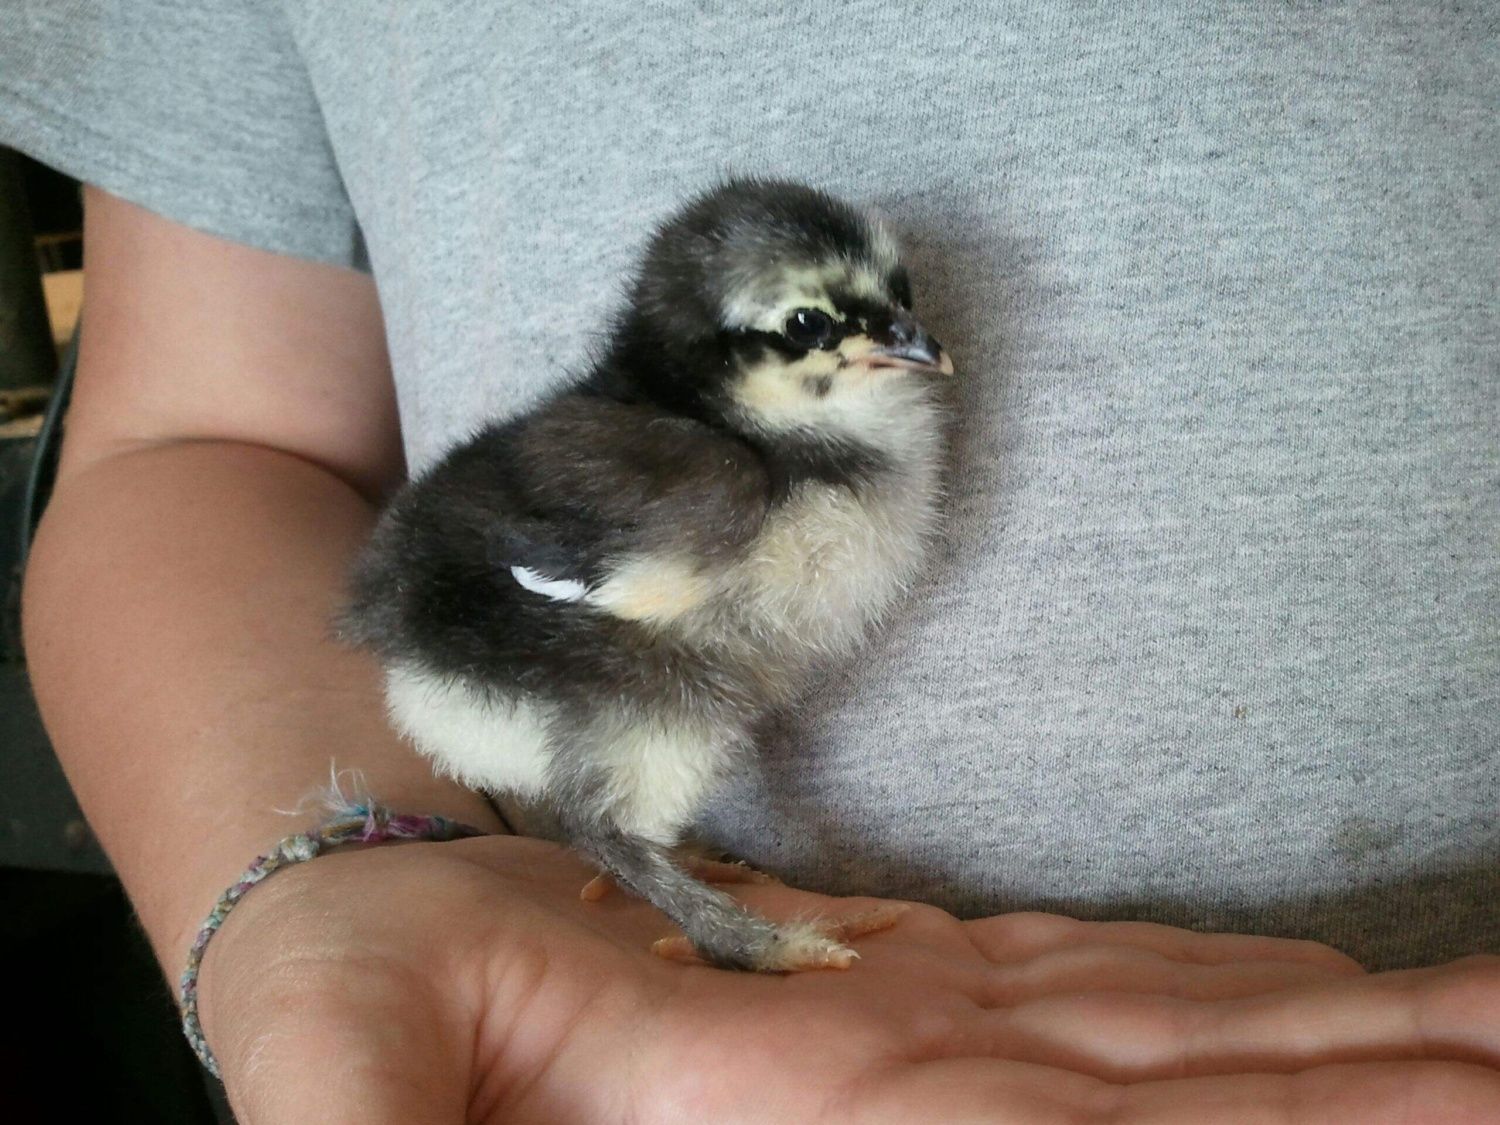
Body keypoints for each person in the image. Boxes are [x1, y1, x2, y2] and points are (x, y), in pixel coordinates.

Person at [4, 2, 1496, 1120]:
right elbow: (218, 451)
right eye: (818, 329)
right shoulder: (704, 492)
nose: (897, 342)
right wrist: (334, 890)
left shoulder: (754, 457)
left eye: (887, 303)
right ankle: (693, 898)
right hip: (651, 1060)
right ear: (716, 357)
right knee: (651, 711)